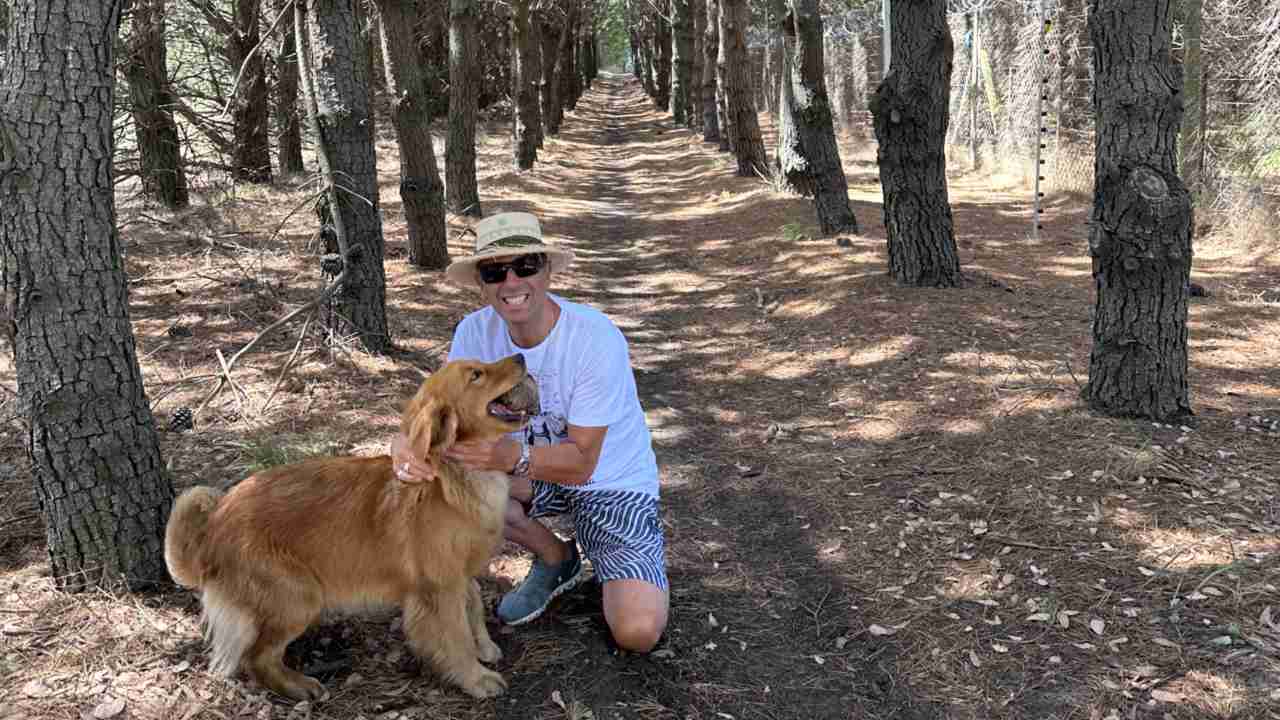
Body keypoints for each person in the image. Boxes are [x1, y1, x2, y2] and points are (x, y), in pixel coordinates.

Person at [391, 211, 668, 653]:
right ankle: (556, 557)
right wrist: (403, 442)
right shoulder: (473, 331)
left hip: (608, 481)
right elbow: (440, 409)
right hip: (527, 474)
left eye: (525, 266)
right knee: (448, 481)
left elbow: (583, 463)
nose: (511, 282)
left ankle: (625, 552)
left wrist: (510, 459)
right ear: (481, 284)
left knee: (636, 632)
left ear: (547, 271)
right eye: (495, 271)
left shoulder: (593, 337)